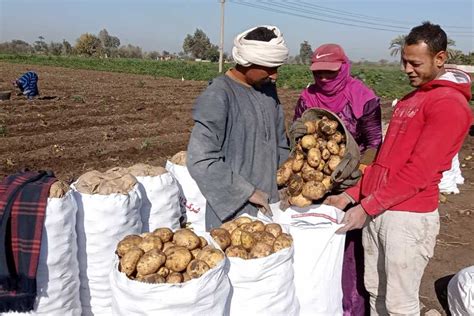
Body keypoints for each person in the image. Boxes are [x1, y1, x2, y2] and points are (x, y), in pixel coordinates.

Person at [325, 22, 472, 315]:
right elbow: (384, 162)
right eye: (404, 61)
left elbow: (419, 173)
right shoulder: (409, 100)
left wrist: (366, 208)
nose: (407, 69)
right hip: (380, 208)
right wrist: (352, 195)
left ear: (440, 59)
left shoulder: (449, 104)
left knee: (399, 303)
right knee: (375, 289)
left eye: (415, 63)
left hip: (408, 216)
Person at [289, 43, 382, 316]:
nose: (324, 79)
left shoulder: (362, 97)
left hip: (351, 183)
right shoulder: (308, 97)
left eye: (330, 73)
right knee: (314, 249)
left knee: (349, 255)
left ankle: (351, 309)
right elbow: (299, 138)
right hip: (313, 180)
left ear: (343, 67)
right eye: (319, 73)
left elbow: (375, 143)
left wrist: (355, 177)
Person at [186, 25, 290, 230]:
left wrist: (287, 181)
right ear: (247, 61)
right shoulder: (218, 94)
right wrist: (247, 192)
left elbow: (280, 143)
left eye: (277, 68)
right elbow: (200, 158)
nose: (275, 75)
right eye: (269, 68)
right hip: (234, 212)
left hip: (272, 206)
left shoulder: (268, 91)